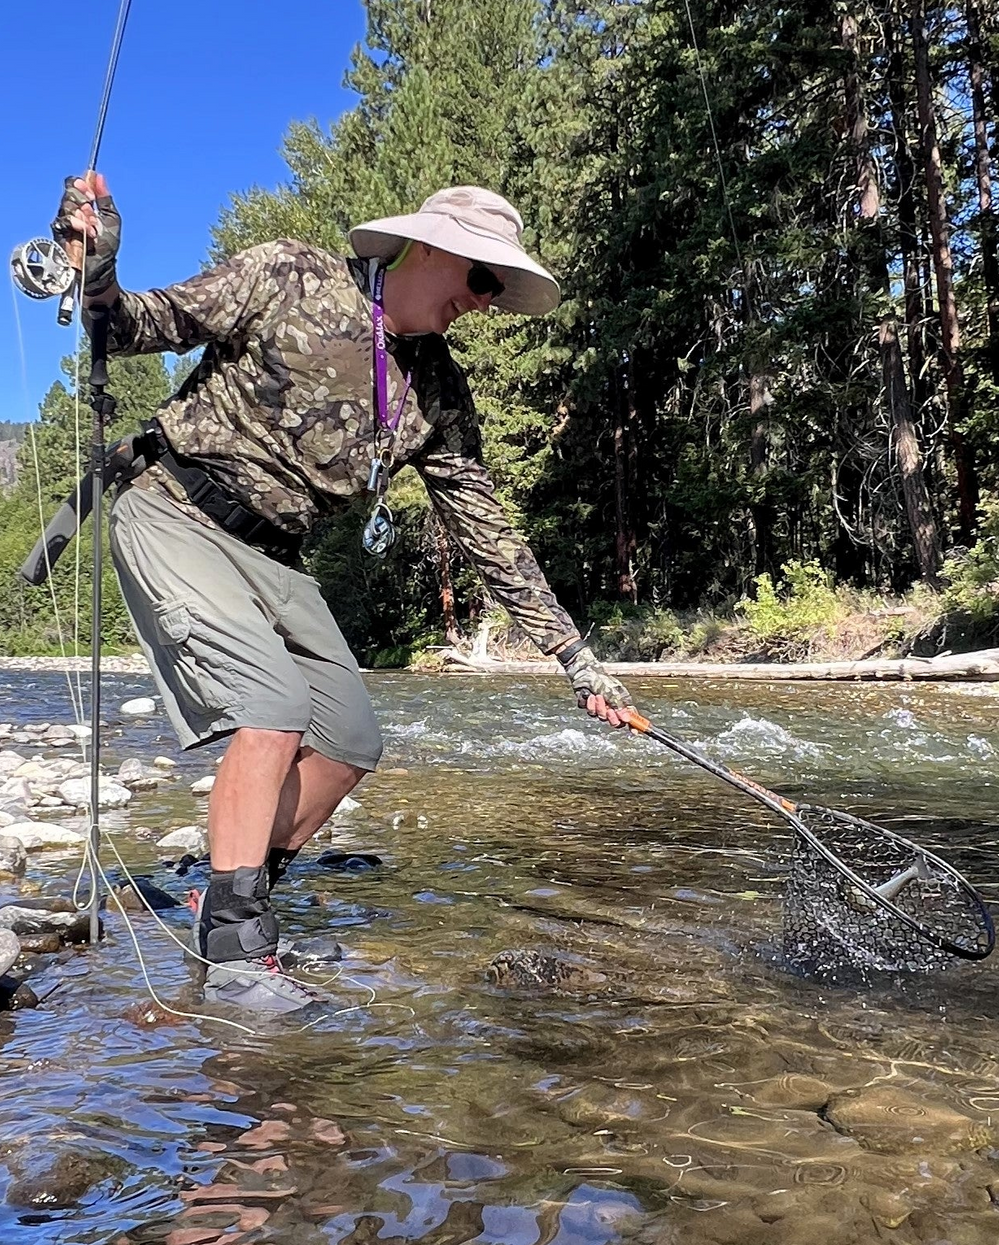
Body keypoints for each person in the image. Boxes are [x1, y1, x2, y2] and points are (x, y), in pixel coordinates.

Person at [51, 171, 634, 1006]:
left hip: (277, 555)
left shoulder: (437, 391)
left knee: (352, 737)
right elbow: (140, 323)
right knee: (273, 708)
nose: (488, 299)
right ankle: (236, 954)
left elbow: (488, 530)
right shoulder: (289, 273)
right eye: (480, 276)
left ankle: (226, 886)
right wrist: (96, 266)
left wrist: (575, 657)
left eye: (500, 288)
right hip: (177, 509)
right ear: (427, 247)